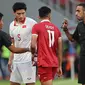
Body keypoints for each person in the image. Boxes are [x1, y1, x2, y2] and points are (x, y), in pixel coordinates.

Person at [31, 6, 63, 85]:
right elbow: (59, 50)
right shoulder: (57, 29)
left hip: (44, 62)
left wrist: (32, 54)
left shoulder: (36, 27)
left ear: (38, 16)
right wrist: (60, 66)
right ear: (49, 16)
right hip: (54, 63)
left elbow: (32, 45)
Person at [8, 2, 37, 85]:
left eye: (23, 13)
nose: (21, 16)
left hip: (28, 60)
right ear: (14, 13)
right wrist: (10, 60)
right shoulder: (11, 25)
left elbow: (38, 40)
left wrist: (35, 55)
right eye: (18, 14)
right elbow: (13, 44)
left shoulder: (32, 23)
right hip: (16, 60)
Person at [61, 3, 85, 85]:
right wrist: (66, 30)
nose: (76, 13)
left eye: (78, 11)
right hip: (83, 58)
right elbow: (72, 39)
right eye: (75, 11)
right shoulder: (80, 25)